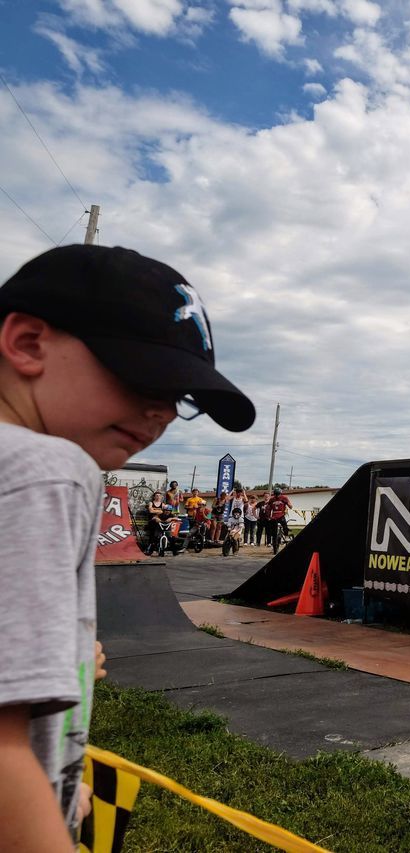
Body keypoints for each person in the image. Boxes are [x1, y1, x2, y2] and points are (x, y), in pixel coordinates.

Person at [0, 244, 253, 848]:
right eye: (143, 374)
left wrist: (55, 785)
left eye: (181, 398)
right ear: (28, 343)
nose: (162, 412)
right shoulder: (47, 469)